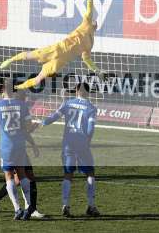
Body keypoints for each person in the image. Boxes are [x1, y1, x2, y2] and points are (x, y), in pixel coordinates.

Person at [0, 0, 102, 90]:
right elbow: (89, 10)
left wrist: (98, 71)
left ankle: (17, 87)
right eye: (93, 19)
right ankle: (10, 60)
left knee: (38, 79)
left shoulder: (91, 43)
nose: (94, 20)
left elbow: (87, 60)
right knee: (29, 55)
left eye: (95, 21)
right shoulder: (86, 23)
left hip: (60, 61)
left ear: (96, 27)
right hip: (56, 49)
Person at [42, 82, 100, 217]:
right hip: (81, 142)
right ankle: (91, 206)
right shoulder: (91, 108)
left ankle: (65, 205)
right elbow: (90, 128)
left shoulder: (67, 103)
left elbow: (53, 117)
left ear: (76, 91)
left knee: (68, 174)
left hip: (68, 143)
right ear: (88, 92)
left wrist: (41, 123)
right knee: (90, 173)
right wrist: (87, 142)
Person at [0, 89, 45, 219]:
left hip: (15, 147)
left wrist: (33, 143)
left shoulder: (13, 106)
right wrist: (34, 128)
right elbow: (24, 130)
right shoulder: (17, 107)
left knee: (20, 177)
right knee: (25, 177)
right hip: (15, 148)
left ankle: (0, 201)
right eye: (24, 96)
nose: (26, 99)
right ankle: (30, 208)